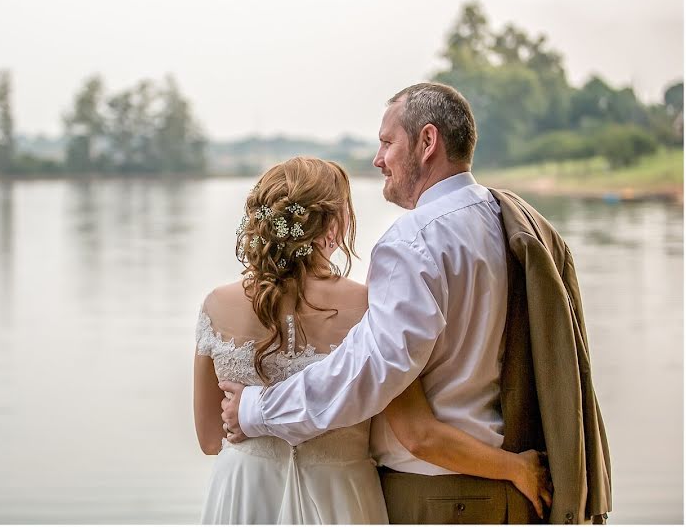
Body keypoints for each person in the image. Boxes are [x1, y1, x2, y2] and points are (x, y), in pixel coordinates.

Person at [220, 83, 611, 524]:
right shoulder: (507, 222)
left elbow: (372, 369)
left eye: (387, 142)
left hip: (437, 498)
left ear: (427, 143)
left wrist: (258, 410)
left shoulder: (413, 241)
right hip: (513, 491)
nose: (378, 158)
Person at [195, 156, 552, 524]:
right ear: (335, 224)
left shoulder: (216, 305)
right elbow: (414, 430)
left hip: (244, 492)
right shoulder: (369, 304)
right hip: (339, 495)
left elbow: (209, 439)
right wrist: (514, 467)